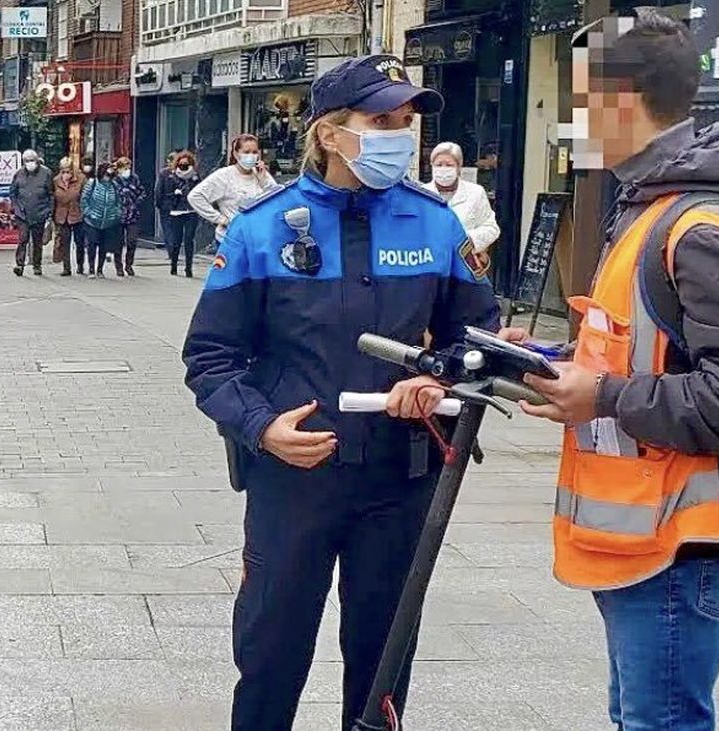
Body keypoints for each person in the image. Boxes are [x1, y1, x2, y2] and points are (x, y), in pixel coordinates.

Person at [498, 12, 719, 730]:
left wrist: (601, 394)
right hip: (642, 538)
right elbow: (655, 351)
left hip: (677, 543)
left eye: (577, 101)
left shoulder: (698, 226)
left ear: (620, 102)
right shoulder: (650, 207)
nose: (571, 119)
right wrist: (559, 363)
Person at [182, 54, 498, 731]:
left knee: (383, 666)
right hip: (293, 482)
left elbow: (478, 338)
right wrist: (262, 426)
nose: (400, 135)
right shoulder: (261, 228)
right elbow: (209, 357)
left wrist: (436, 375)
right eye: (382, 119)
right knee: (270, 657)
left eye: (407, 121)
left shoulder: (435, 225)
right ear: (329, 133)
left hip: (399, 478)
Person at [187, 134, 277, 243]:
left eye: (254, 152)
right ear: (236, 154)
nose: (251, 156)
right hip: (231, 239)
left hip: (258, 239)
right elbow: (195, 197)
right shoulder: (224, 175)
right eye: (246, 152)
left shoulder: (261, 174)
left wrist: (263, 180)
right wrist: (221, 219)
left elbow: (276, 199)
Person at [422, 141, 500, 255]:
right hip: (429, 262)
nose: (443, 169)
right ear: (432, 166)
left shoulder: (475, 193)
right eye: (438, 165)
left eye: (449, 165)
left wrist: (466, 241)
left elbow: (491, 228)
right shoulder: (421, 194)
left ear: (459, 167)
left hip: (463, 262)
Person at [9, 150, 55, 276]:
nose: (30, 163)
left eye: (32, 160)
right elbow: (13, 192)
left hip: (40, 212)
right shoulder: (19, 174)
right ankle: (19, 264)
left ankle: (37, 265)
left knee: (37, 241)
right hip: (22, 213)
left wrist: (49, 211)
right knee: (23, 239)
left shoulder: (46, 173)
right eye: (27, 161)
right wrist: (16, 207)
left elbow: (51, 193)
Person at [157, 149, 201, 277]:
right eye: (181, 164)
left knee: (189, 240)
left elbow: (200, 191)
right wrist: (174, 196)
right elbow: (164, 193)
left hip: (191, 211)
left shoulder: (195, 176)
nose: (184, 166)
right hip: (176, 211)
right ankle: (174, 265)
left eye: (186, 164)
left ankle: (188, 268)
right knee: (176, 240)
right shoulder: (171, 175)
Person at [80, 161, 123, 278]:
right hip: (93, 221)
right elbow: (84, 200)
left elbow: (119, 202)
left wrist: (116, 213)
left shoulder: (114, 186)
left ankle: (100, 269)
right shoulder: (92, 183)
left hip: (108, 221)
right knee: (92, 245)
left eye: (110, 175)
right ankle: (91, 269)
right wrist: (89, 213)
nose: (108, 177)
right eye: (106, 174)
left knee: (104, 247)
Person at [113, 156, 147, 276]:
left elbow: (142, 192)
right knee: (118, 242)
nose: (127, 170)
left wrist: (137, 202)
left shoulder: (134, 179)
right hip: (118, 216)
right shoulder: (115, 180)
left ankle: (129, 264)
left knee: (132, 240)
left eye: (128, 167)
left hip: (133, 214)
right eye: (124, 167)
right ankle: (118, 266)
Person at [52, 157, 86, 277]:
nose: (66, 174)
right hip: (62, 216)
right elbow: (53, 199)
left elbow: (85, 197)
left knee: (79, 242)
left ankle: (80, 265)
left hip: (77, 214)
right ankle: (66, 268)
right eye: (63, 171)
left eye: (68, 171)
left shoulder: (81, 179)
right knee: (64, 243)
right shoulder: (56, 181)